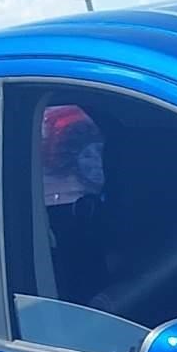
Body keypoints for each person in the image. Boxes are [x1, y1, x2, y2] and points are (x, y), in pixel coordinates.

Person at [39, 102, 112, 307]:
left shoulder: (113, 216)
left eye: (101, 152)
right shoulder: (54, 218)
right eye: (87, 155)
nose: (97, 162)